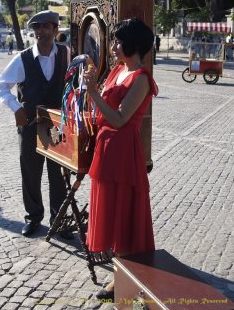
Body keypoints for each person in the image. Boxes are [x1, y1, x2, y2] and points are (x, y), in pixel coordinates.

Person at [83, 18, 158, 301]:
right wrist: (90, 95)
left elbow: (119, 118)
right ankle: (120, 274)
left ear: (133, 45)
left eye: (117, 41)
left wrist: (93, 92)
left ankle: (124, 280)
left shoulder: (141, 77)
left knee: (124, 217)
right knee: (112, 215)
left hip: (124, 153)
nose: (113, 47)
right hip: (106, 150)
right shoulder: (117, 71)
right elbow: (103, 111)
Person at [0, 10, 73, 240]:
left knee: (59, 173)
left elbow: (74, 83)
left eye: (46, 26)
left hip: (57, 124)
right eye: (37, 27)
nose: (41, 31)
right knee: (30, 172)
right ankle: (33, 217)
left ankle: (59, 219)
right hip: (29, 124)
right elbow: (0, 85)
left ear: (55, 30)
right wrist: (15, 108)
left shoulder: (66, 54)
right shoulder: (23, 58)